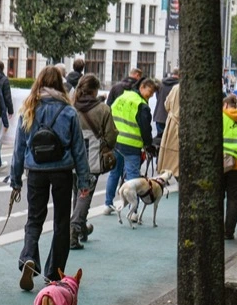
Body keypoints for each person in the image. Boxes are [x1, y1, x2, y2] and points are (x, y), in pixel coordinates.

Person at [10, 66, 91, 291]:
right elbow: (78, 150)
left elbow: (19, 147)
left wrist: (15, 179)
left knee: (34, 218)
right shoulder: (68, 111)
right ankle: (54, 273)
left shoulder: (29, 108)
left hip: (35, 170)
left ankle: (29, 257)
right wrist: (84, 182)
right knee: (61, 222)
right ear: (59, 84)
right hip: (62, 171)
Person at [70, 74, 117, 249]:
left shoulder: (71, 107)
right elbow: (111, 135)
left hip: (72, 158)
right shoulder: (103, 109)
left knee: (77, 194)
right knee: (84, 196)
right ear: (96, 90)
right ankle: (74, 232)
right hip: (93, 159)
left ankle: (81, 229)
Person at [104, 78, 158, 216]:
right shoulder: (141, 105)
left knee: (114, 173)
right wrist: (148, 144)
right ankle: (133, 211)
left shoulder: (122, 97)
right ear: (143, 87)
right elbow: (145, 129)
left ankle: (108, 204)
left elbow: (110, 114)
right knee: (133, 179)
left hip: (117, 142)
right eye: (149, 92)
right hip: (132, 146)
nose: (150, 96)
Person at [224, 95, 237, 240]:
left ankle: (214, 229)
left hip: (222, 163)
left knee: (217, 197)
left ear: (225, 105)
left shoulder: (220, 116)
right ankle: (228, 232)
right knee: (234, 200)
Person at [157, 83, 181, 178]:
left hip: (172, 124)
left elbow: (167, 105)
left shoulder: (176, 88)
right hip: (181, 124)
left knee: (170, 156)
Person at [154, 69, 179, 139]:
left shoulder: (162, 83)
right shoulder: (178, 86)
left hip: (159, 115)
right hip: (173, 118)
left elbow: (157, 97)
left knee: (160, 139)